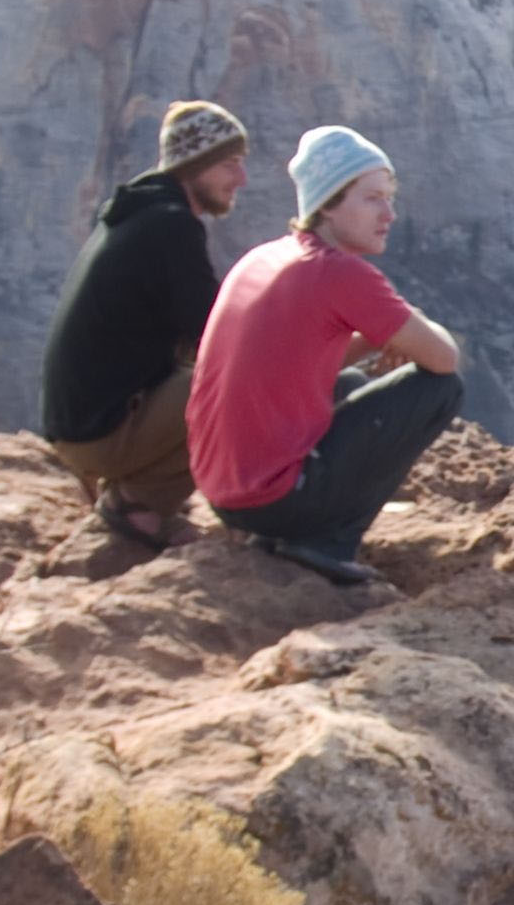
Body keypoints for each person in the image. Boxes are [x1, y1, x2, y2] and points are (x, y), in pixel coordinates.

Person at [188, 125, 466, 587]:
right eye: (372, 199)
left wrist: (382, 337)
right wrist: (408, 320)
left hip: (224, 494)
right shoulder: (340, 273)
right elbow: (443, 359)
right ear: (330, 205)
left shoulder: (265, 258)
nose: (389, 214)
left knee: (355, 387)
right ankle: (329, 540)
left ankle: (295, 524)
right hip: (275, 501)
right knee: (440, 390)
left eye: (390, 198)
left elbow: (298, 366)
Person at [36, 100, 251, 547]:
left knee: (213, 377)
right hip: (101, 433)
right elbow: (214, 335)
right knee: (237, 385)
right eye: (230, 164)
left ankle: (132, 490)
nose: (241, 179)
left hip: (79, 425)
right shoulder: (171, 226)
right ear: (197, 164)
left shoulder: (137, 214)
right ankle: (139, 506)